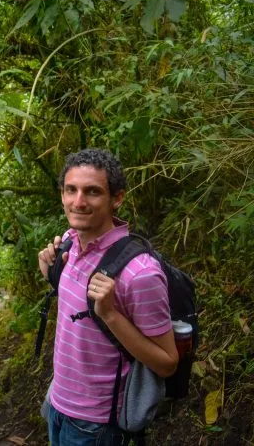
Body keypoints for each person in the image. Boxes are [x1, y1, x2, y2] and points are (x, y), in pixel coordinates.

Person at [37, 149, 178, 446]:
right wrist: (51, 274)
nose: (78, 202)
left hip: (98, 426)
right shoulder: (68, 245)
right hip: (57, 406)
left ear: (117, 198)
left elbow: (167, 363)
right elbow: (77, 320)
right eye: (71, 190)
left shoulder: (141, 274)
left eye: (92, 192)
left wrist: (111, 315)